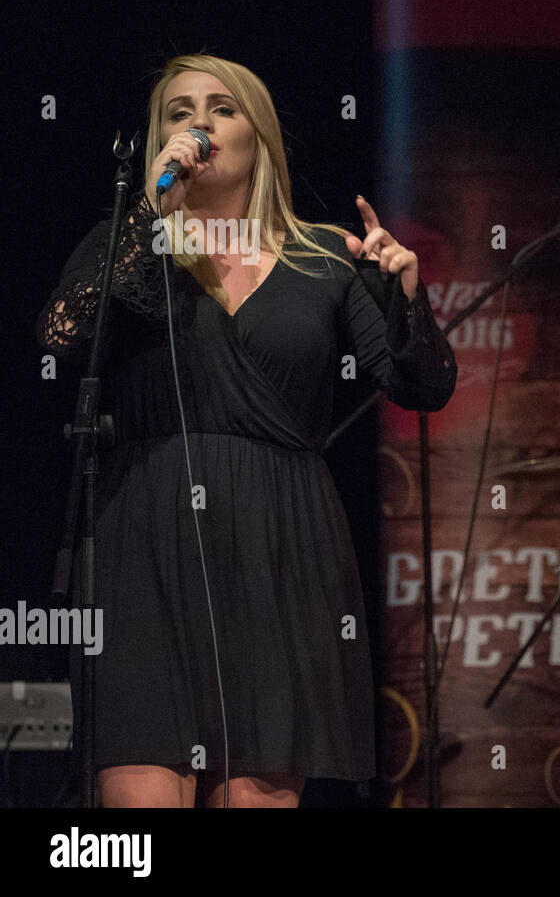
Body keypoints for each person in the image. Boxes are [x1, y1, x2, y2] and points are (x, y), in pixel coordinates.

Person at [38, 54, 457, 807]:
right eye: (177, 112)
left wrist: (407, 293)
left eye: (221, 108)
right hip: (145, 533)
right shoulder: (129, 250)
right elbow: (61, 338)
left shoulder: (326, 255)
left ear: (258, 137)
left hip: (281, 543)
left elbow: (420, 384)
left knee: (257, 793)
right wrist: (148, 218)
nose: (198, 123)